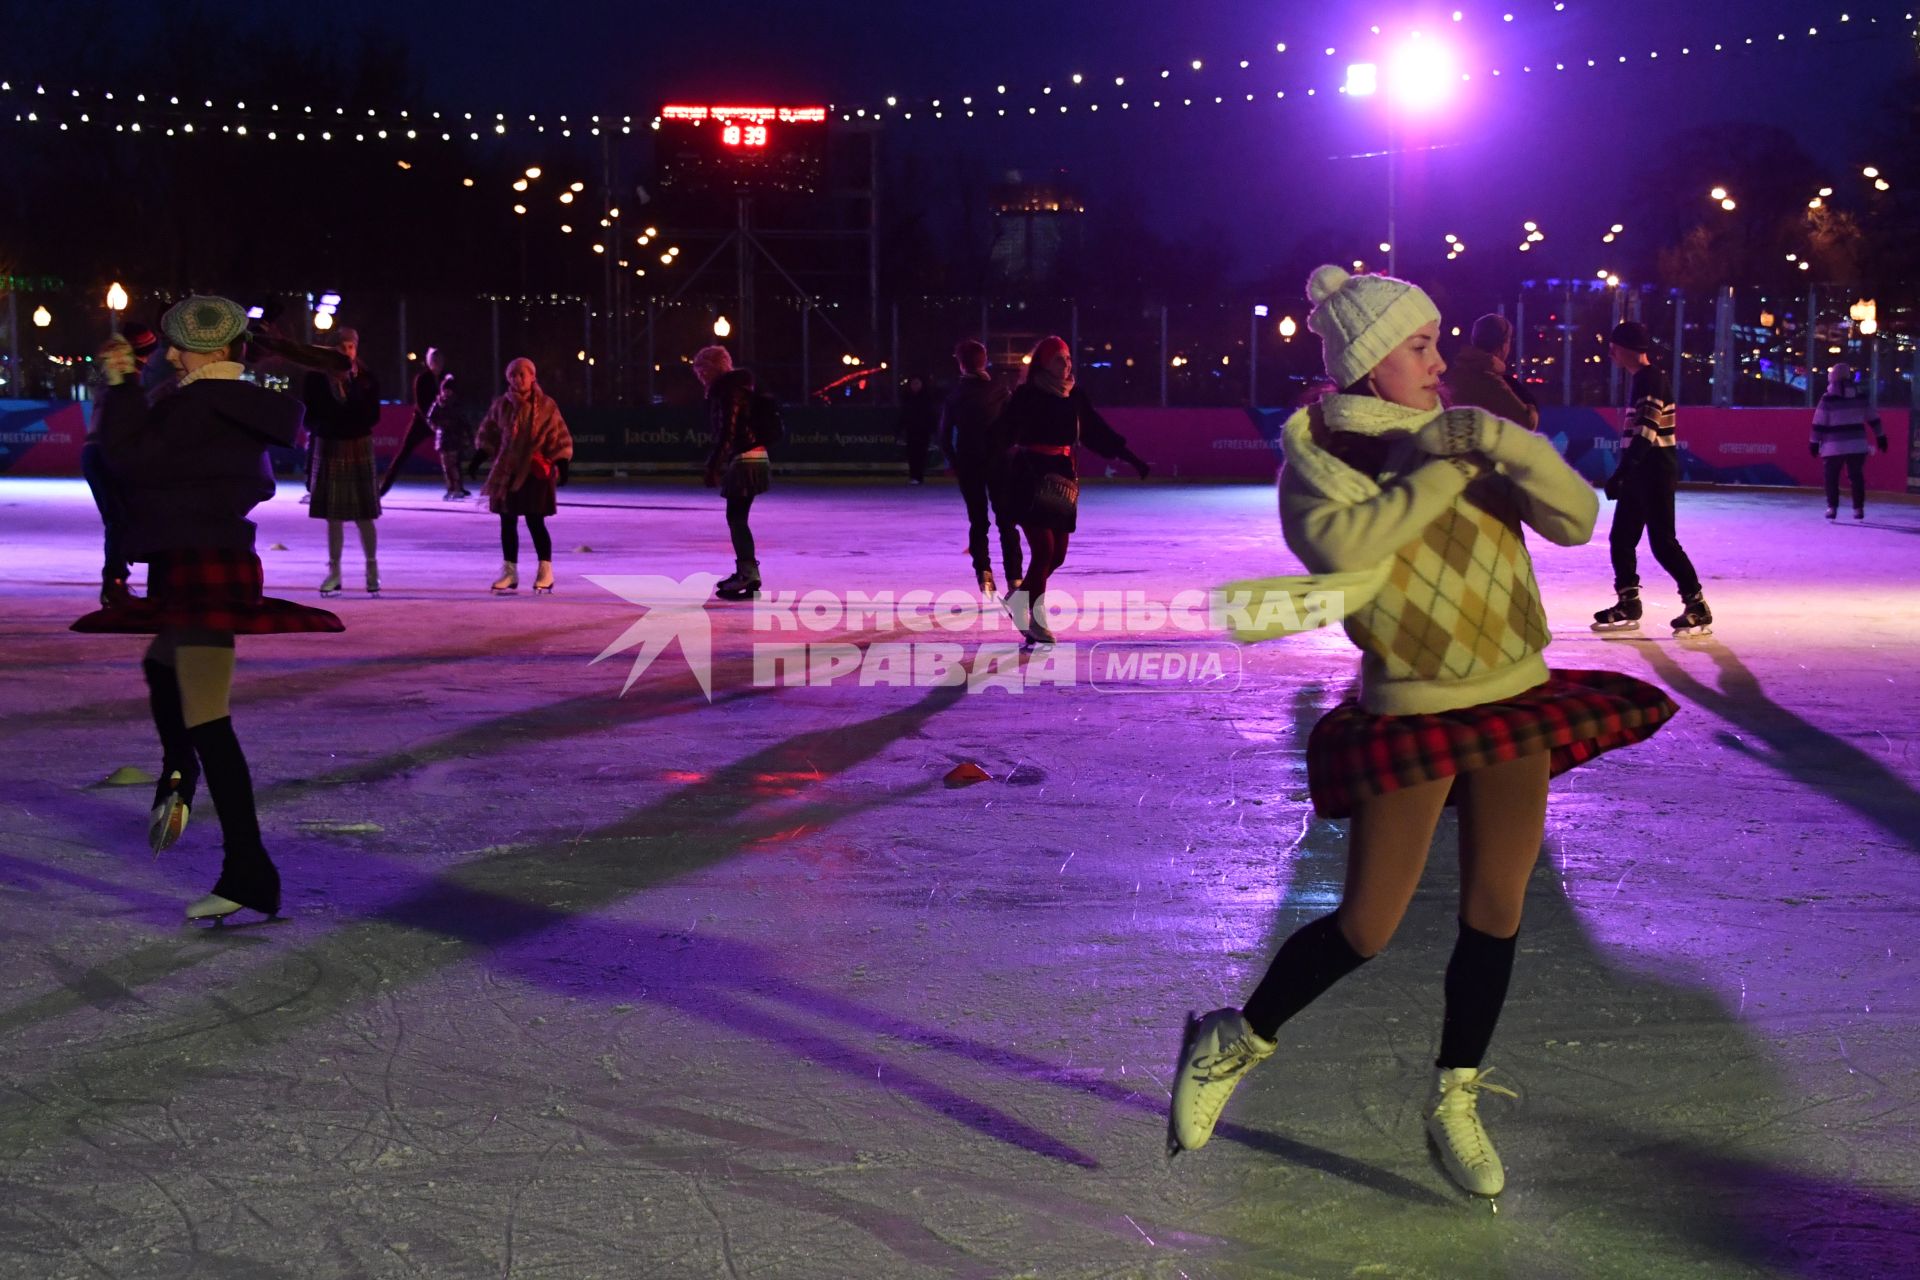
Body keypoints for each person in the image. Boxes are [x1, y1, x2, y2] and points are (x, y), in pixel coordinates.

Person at [1169, 266, 1677, 1198]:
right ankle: (1232, 1041)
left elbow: (1574, 521)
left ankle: (1456, 1097)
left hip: (1516, 690)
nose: (1441, 361)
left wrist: (1506, 448)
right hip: (1413, 704)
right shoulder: (1321, 464)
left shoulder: (1472, 434)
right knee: (1367, 925)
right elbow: (1345, 552)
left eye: (1438, 341)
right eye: (1420, 346)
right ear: (1369, 366)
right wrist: (1447, 461)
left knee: (1498, 907)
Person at [71, 295, 344, 922]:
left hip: (203, 564)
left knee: (208, 719)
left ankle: (248, 870)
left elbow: (131, 458)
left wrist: (122, 382)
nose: (169, 354)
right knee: (162, 668)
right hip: (197, 559)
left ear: (216, 351)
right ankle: (178, 772)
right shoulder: (211, 400)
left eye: (180, 345)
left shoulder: (205, 404)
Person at [994, 335, 1150, 646]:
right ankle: (1036, 621)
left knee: (1058, 555)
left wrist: (1131, 458)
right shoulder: (1028, 395)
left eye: (1067, 359)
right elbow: (1002, 433)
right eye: (1058, 360)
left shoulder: (1074, 395)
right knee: (1044, 550)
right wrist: (989, 466)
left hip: (1062, 477)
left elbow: (1096, 430)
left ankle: (1019, 598)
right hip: (1030, 474)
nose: (1066, 365)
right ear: (1044, 364)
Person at [1591, 321, 1711, 635]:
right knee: (1622, 538)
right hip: (1641, 472)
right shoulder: (1642, 379)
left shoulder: (1650, 379)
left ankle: (1696, 602)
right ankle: (1628, 600)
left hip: (1653, 471)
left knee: (1662, 542)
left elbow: (1647, 430)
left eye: (1614, 347)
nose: (1610, 352)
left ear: (1625, 349)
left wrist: (1622, 472)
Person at [472, 358, 572, 593]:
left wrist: (562, 461)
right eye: (513, 375)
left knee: (535, 521)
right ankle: (510, 572)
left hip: (535, 472)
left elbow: (558, 435)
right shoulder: (501, 405)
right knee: (507, 521)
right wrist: (479, 455)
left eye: (522, 375)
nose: (517, 379)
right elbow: (489, 431)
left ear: (532, 377)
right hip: (507, 471)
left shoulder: (547, 406)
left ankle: (545, 570)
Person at [300, 328, 384, 595]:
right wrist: (326, 425)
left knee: (364, 514)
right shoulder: (315, 378)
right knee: (333, 516)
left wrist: (352, 394)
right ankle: (334, 571)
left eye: (351, 346)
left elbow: (373, 415)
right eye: (342, 347)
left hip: (358, 443)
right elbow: (309, 415)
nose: (347, 351)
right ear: (331, 349)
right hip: (330, 444)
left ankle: (372, 570)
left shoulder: (367, 378)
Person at [82, 322, 160, 606]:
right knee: (120, 519)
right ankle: (114, 583)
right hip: (107, 454)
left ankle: (116, 578)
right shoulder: (129, 385)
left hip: (97, 453)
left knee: (119, 519)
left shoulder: (116, 384)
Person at [940, 339, 1020, 595]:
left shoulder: (955, 396)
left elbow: (942, 438)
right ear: (984, 360)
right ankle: (1015, 578)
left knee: (978, 521)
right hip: (999, 462)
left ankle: (983, 574)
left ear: (961, 364)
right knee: (1006, 520)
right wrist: (1005, 449)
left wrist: (956, 463)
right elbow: (1014, 426)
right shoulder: (1001, 390)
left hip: (969, 462)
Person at [693, 344, 772, 600]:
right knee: (737, 517)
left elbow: (728, 431)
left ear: (715, 367)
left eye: (703, 369)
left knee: (737, 518)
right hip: (754, 456)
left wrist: (713, 466)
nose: (700, 375)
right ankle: (746, 571)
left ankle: (748, 573)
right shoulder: (739, 389)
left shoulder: (729, 392)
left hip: (745, 459)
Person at [1810, 361, 1888, 521]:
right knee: (1856, 477)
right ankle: (1858, 509)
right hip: (1857, 444)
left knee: (1831, 477)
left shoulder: (1828, 399)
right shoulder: (1860, 396)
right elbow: (1873, 418)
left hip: (1833, 446)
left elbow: (1819, 422)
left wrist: (1814, 442)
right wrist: (1880, 436)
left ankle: (1832, 508)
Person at [1441, 313, 1539, 431]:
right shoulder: (1490, 380)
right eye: (1508, 341)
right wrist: (1532, 408)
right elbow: (1526, 423)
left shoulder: (1454, 374)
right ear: (1503, 346)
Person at [378, 346, 448, 497]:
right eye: (434, 360)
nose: (437, 363)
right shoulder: (422, 379)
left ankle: (456, 487)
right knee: (403, 454)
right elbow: (421, 404)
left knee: (451, 451)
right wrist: (430, 422)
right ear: (429, 362)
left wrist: (443, 421)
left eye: (440, 360)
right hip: (421, 423)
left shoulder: (446, 378)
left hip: (440, 422)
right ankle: (382, 489)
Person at [430, 372, 475, 501]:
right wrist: (436, 427)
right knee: (446, 466)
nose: (447, 393)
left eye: (449, 390)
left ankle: (457, 488)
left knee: (454, 464)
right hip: (443, 439)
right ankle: (450, 488)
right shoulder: (437, 404)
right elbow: (430, 418)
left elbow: (464, 422)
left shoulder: (457, 405)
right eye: (445, 390)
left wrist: (469, 437)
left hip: (455, 439)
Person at [896, 375, 942, 485]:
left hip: (923, 430)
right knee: (912, 453)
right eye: (913, 383)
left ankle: (919, 476)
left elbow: (931, 414)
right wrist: (900, 428)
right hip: (911, 430)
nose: (915, 386)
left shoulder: (927, 398)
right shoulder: (906, 397)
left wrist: (933, 429)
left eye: (917, 383)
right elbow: (903, 414)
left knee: (922, 453)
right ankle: (913, 475)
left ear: (921, 385)